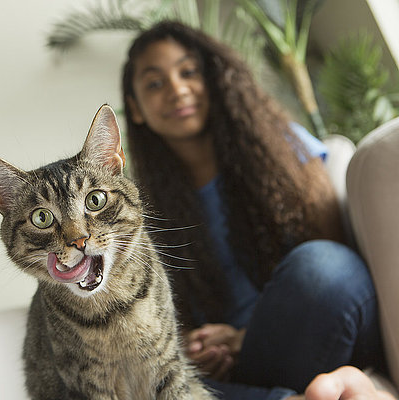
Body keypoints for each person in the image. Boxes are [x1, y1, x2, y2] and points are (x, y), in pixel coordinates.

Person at [121, 21, 389, 399]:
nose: (177, 89)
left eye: (188, 72)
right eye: (154, 83)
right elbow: (159, 320)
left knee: (322, 267)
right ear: (135, 108)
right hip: (239, 376)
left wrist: (244, 337)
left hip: (315, 331)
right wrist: (198, 349)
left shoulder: (282, 147)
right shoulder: (138, 210)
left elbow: (336, 261)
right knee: (142, 378)